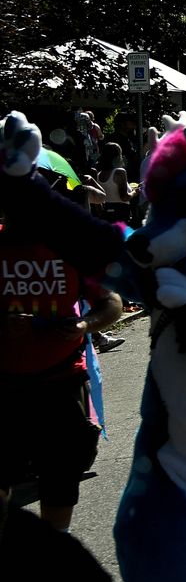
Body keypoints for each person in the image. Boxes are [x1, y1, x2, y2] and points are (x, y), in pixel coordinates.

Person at [0, 153, 122, 531]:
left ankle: (51, 563)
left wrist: (86, 323)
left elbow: (111, 304)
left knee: (60, 480)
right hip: (4, 384)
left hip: (61, 380)